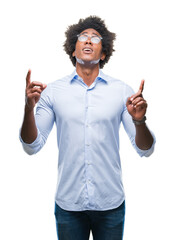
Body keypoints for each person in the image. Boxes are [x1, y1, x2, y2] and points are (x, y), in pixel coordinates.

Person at [20, 16, 156, 240]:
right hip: (68, 205)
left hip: (111, 204)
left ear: (103, 54)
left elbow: (145, 149)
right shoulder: (53, 92)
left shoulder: (122, 92)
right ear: (73, 50)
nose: (89, 41)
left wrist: (140, 121)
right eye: (83, 37)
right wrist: (27, 109)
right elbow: (31, 146)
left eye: (95, 38)